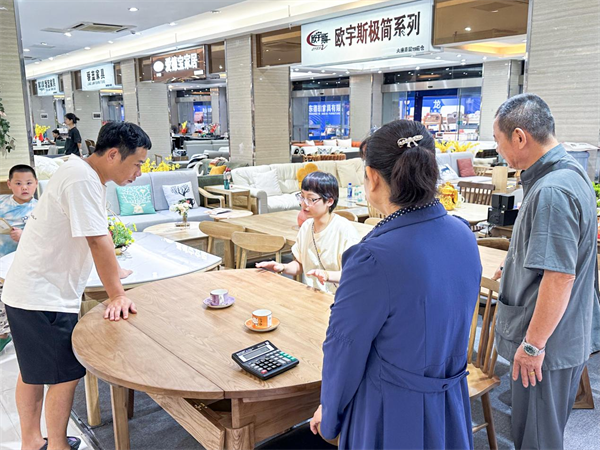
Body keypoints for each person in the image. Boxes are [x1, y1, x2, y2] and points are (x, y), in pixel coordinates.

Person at [309, 120, 482, 449]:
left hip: (390, 412)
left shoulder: (371, 258)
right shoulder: (463, 235)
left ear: (372, 177)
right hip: (450, 405)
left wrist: (330, 416)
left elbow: (343, 350)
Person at [2, 122, 151, 450]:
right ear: (113, 154)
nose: (140, 172)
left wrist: (115, 272)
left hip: (26, 291)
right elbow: (99, 242)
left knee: (32, 373)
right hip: (44, 297)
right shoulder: (82, 179)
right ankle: (56, 445)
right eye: (138, 163)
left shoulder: (78, 171)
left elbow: (89, 238)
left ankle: (31, 441)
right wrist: (117, 295)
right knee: (65, 375)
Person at [491, 94, 598, 450]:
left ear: (519, 137)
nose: (499, 151)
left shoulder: (552, 190)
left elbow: (559, 277)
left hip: (547, 347)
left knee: (537, 440)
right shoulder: (568, 171)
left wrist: (533, 346)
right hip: (562, 337)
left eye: (498, 141)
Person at [256, 171, 360, 294]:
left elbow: (354, 275)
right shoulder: (306, 227)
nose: (303, 203)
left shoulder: (344, 230)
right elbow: (300, 264)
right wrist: (282, 267)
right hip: (312, 296)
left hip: (338, 299)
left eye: (311, 199)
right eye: (302, 196)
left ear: (329, 201)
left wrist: (326, 275)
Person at [0, 165, 39, 355]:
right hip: (1, 261)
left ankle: (16, 334)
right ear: (9, 184)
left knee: (21, 301)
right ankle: (3, 334)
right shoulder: (1, 203)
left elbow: (45, 238)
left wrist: (24, 235)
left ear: (36, 184)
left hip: (25, 264)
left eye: (29, 183)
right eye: (18, 183)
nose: (24, 187)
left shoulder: (41, 208)